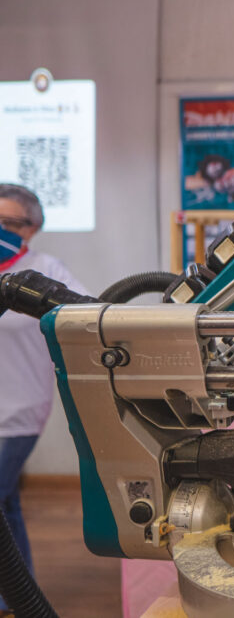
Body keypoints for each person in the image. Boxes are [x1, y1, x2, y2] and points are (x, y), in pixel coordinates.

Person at [0, 184, 86, 612]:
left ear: (33, 229)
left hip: (17, 413)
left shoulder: (45, 268)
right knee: (7, 503)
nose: (1, 230)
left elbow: (83, 315)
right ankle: (20, 595)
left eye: (10, 223)